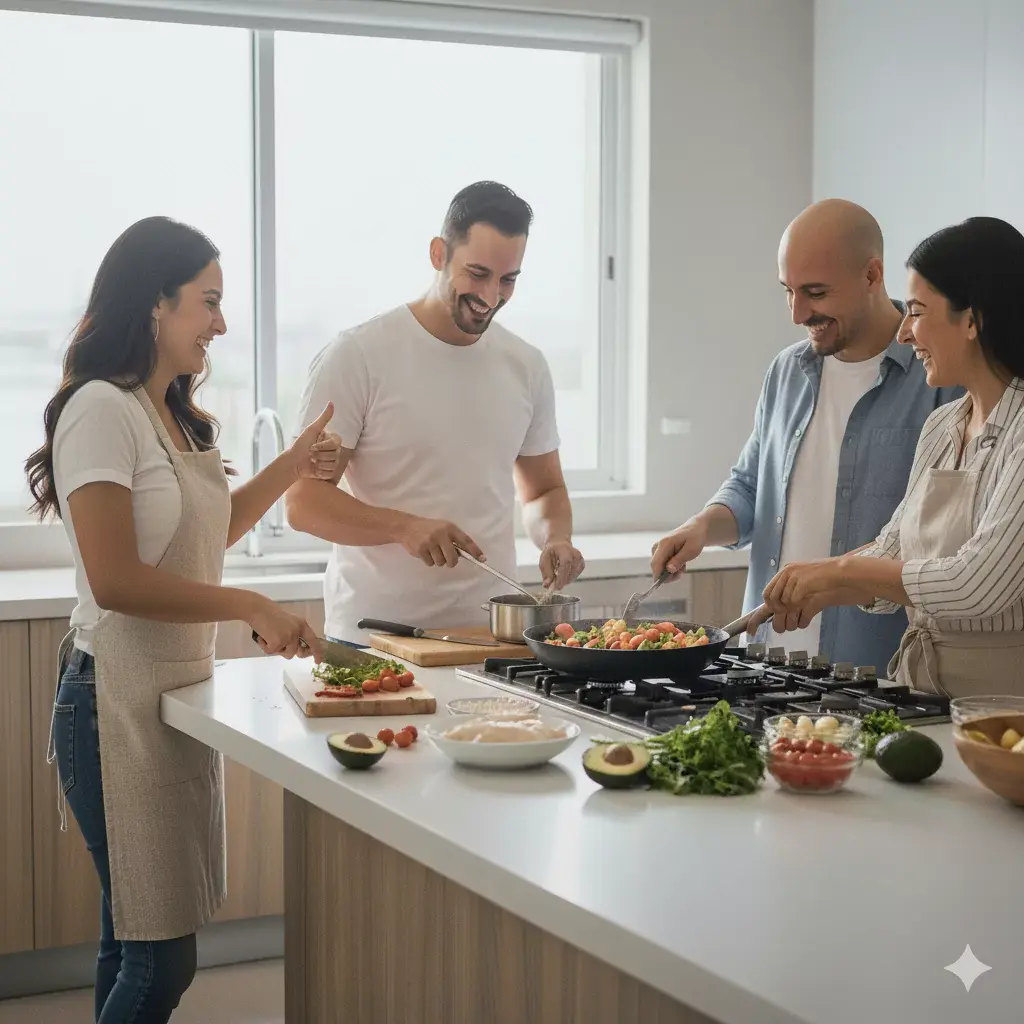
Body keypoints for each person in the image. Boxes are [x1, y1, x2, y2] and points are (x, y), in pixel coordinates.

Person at [24, 215, 341, 1023]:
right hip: (110, 705)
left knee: (128, 937)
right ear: (155, 305)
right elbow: (117, 578)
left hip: (164, 700)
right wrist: (250, 605)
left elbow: (208, 533)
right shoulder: (101, 409)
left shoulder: (164, 409)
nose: (222, 324)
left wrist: (296, 463)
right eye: (209, 302)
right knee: (162, 958)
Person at [650, 199, 962, 670]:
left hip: (873, 670)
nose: (797, 313)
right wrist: (700, 528)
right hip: (764, 662)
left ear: (872, 275)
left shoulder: (939, 383)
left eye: (815, 292)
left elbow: (938, 540)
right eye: (788, 291)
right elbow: (751, 487)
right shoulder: (786, 371)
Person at [286, 181, 585, 643]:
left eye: (508, 280)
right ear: (438, 253)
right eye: (478, 273)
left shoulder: (526, 365)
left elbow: (544, 489)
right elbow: (304, 503)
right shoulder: (360, 354)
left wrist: (556, 539)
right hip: (375, 637)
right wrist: (403, 527)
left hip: (488, 636)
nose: (491, 295)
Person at [758, 216, 1024, 697]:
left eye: (918, 311)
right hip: (922, 691)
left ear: (971, 319)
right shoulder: (943, 427)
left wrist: (836, 572)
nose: (904, 333)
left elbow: (978, 584)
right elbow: (896, 549)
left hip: (1002, 708)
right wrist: (817, 588)